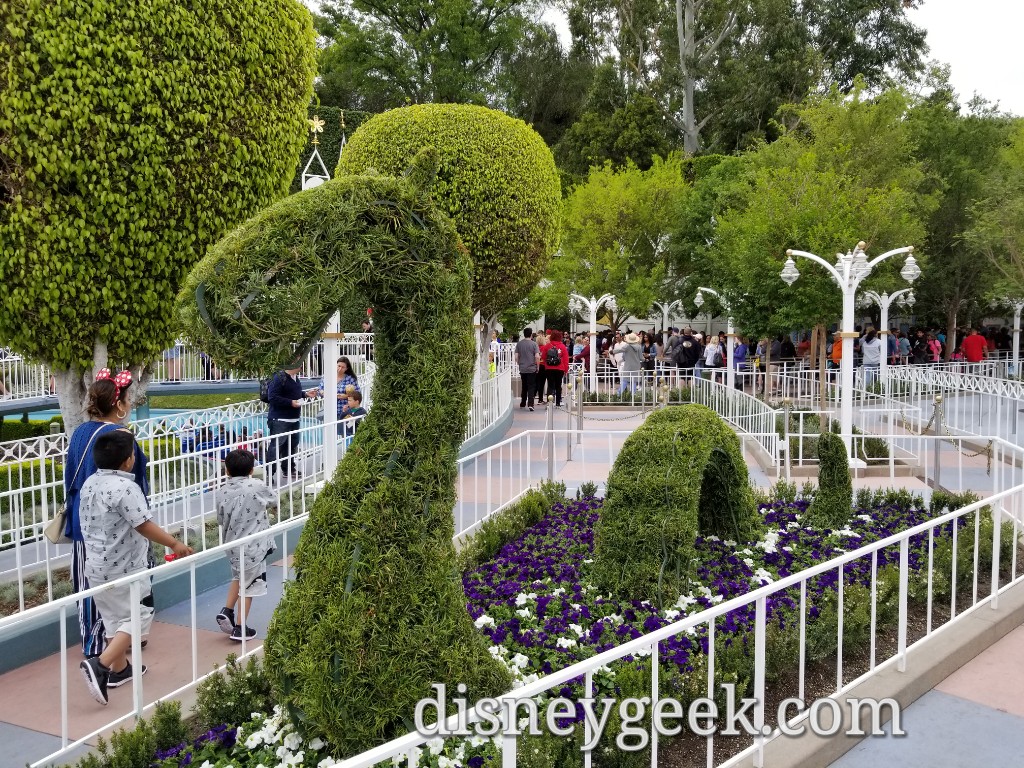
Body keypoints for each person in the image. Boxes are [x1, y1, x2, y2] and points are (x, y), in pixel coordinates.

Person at [79, 430, 192, 704]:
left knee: (114, 620)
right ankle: (102, 665)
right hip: (126, 568)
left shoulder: (90, 483)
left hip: (95, 567)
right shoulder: (126, 488)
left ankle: (120, 670)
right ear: (129, 461)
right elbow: (142, 524)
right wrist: (175, 544)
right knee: (140, 614)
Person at [65, 369, 150, 659]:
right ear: (120, 405)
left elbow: (70, 478)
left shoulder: (80, 433)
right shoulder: (121, 437)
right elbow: (137, 482)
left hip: (83, 523)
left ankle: (96, 644)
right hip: (118, 529)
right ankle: (111, 649)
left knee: (89, 587)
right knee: (126, 589)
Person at [215, 449, 278, 642]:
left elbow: (219, 518)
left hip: (233, 546)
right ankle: (241, 628)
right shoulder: (256, 485)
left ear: (227, 470)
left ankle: (227, 610)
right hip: (253, 546)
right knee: (249, 587)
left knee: (239, 576)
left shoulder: (221, 491)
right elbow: (274, 499)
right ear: (252, 470)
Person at [266, 365, 318, 483]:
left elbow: (292, 392)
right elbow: (272, 397)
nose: (302, 364)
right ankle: (269, 474)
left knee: (291, 446)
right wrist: (290, 403)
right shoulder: (279, 377)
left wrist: (305, 394)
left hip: (293, 419)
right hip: (280, 419)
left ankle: (288, 469)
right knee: (276, 447)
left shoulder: (295, 377)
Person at [318, 357, 360, 425]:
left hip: (345, 410)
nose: (340, 369)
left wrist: (346, 396)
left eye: (343, 367)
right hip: (330, 410)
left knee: (343, 431)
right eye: (339, 366)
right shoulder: (327, 376)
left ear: (347, 368)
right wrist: (323, 392)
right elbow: (320, 389)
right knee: (329, 431)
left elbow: (358, 394)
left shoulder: (350, 379)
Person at [540, 330, 570, 406]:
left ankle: (549, 402)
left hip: (549, 368)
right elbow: (566, 359)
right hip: (560, 368)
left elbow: (543, 357)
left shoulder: (547, 346)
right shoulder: (562, 346)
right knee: (558, 385)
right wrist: (566, 369)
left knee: (550, 385)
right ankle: (557, 403)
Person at [516, 328, 540, 411]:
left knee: (524, 386)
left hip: (523, 368)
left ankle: (523, 403)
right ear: (531, 334)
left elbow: (516, 356)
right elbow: (537, 356)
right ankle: (531, 404)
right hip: (531, 368)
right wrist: (538, 366)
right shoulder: (534, 344)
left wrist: (519, 363)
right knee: (531, 386)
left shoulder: (519, 344)